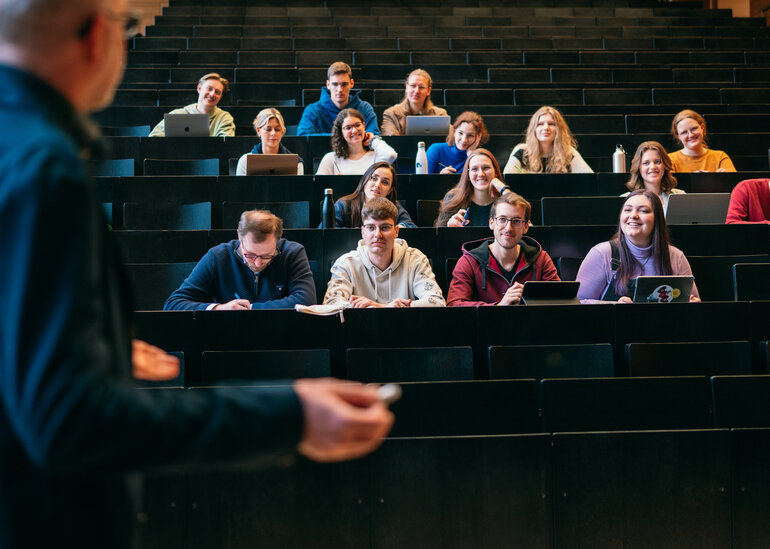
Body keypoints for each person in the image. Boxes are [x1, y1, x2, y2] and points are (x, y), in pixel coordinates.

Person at [0, 1, 393, 547]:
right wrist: (287, 414)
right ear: (96, 37)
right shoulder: (44, 169)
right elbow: (69, 422)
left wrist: (93, 345)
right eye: (129, 27)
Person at [164, 210, 316, 310]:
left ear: (278, 240)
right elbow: (173, 304)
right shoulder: (218, 256)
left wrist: (251, 309)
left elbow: (306, 301)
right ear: (239, 236)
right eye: (250, 255)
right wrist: (218, 308)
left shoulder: (293, 253)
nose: (257, 263)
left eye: (266, 256)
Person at [576, 190, 701, 303]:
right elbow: (578, 303)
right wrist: (614, 305)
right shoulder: (601, 253)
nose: (633, 215)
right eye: (628, 210)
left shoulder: (676, 257)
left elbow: (693, 302)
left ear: (657, 219)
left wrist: (693, 304)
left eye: (643, 211)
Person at [323, 198, 445, 308]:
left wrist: (381, 307)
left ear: (396, 231)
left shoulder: (415, 259)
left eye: (385, 227)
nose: (377, 235)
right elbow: (330, 304)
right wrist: (378, 307)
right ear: (363, 232)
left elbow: (437, 302)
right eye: (371, 227)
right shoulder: (345, 264)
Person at [447, 193, 560, 306]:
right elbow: (454, 305)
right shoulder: (469, 262)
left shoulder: (541, 259)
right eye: (502, 219)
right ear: (492, 223)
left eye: (516, 221)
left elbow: (560, 300)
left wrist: (531, 298)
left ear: (526, 227)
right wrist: (499, 307)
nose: (508, 228)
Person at [503, 106, 593, 174]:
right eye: (540, 124)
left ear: (559, 129)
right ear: (533, 129)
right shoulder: (521, 152)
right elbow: (506, 181)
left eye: (551, 124)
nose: (546, 128)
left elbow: (589, 178)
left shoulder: (569, 153)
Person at [297, 61, 378, 136]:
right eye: (335, 84)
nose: (340, 90)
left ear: (352, 83)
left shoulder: (364, 108)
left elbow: (373, 136)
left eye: (344, 84)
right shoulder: (312, 110)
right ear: (328, 84)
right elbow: (304, 138)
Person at [435, 148, 512, 227]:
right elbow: (439, 238)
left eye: (486, 168)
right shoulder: (452, 198)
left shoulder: (506, 197)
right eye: (474, 169)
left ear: (495, 172)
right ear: (468, 175)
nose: (481, 174)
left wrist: (503, 189)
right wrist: (450, 231)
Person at [149, 72, 235, 137]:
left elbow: (226, 145)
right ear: (199, 88)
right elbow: (154, 138)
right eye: (209, 89)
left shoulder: (225, 118)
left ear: (220, 96)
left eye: (217, 92)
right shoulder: (177, 114)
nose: (212, 94)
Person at [333, 162, 416, 228]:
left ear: (390, 190)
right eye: (373, 178)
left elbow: (411, 227)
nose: (377, 185)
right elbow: (327, 230)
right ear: (364, 181)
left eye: (385, 182)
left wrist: (393, 229)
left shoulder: (393, 205)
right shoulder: (343, 204)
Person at [315, 108, 397, 175]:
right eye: (348, 128)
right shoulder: (331, 158)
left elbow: (391, 155)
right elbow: (319, 186)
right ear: (341, 132)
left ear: (364, 126)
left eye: (357, 125)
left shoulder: (375, 156)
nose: (354, 130)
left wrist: (373, 140)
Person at [235, 107, 304, 175]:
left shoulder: (296, 163)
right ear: (258, 131)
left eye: (277, 129)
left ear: (283, 132)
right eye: (268, 129)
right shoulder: (245, 161)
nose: (273, 133)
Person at [622, 141, 685, 215]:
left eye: (657, 162)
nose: (653, 167)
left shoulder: (680, 196)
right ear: (638, 168)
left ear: (665, 165)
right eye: (646, 163)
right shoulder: (626, 199)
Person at [381, 68, 448, 136]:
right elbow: (391, 141)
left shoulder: (440, 114)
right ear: (407, 87)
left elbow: (449, 140)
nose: (416, 91)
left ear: (429, 91)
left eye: (421, 87)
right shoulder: (391, 114)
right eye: (413, 86)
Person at [668, 109, 736, 173]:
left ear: (702, 127)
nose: (691, 135)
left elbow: (737, 184)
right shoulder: (670, 160)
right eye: (684, 132)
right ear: (678, 136)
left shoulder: (720, 157)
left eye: (694, 128)